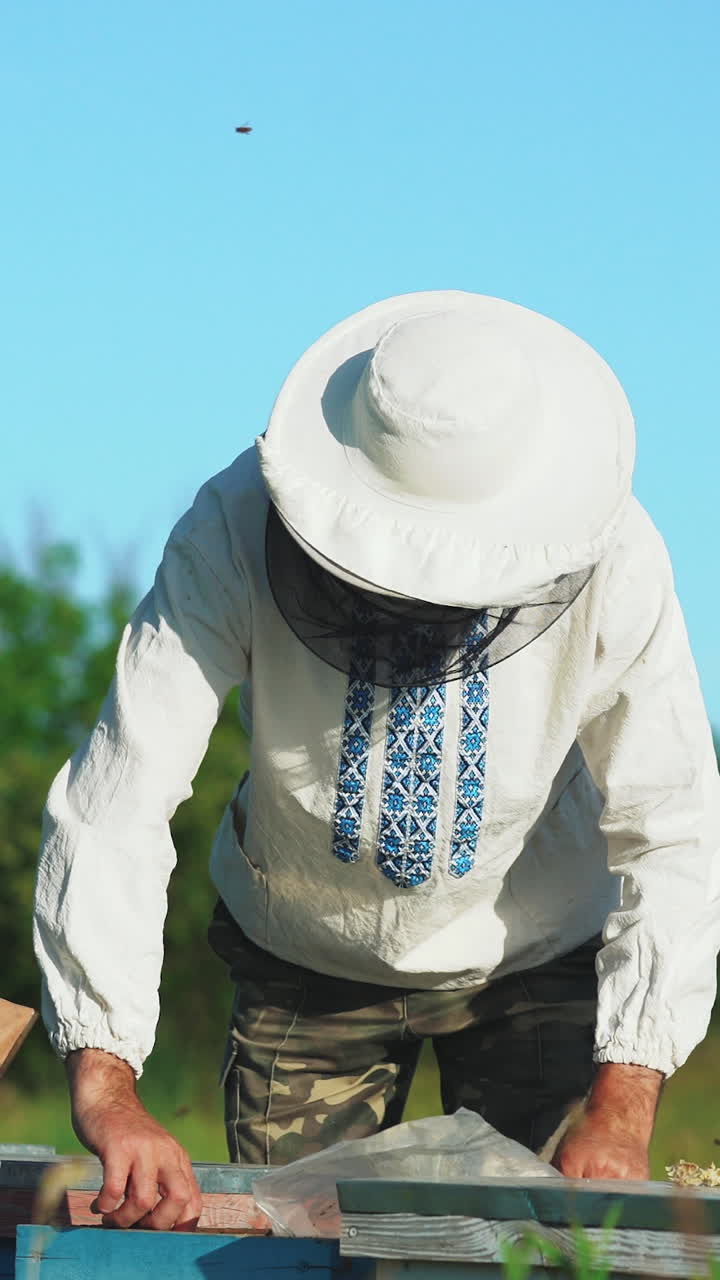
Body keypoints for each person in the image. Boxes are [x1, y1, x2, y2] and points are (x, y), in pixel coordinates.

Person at [34, 291, 720, 1231]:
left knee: (562, 1241)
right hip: (305, 959)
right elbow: (118, 799)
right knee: (287, 1244)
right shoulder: (235, 525)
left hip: (540, 956)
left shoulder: (620, 557)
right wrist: (108, 1086)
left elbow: (675, 823)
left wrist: (624, 1099)